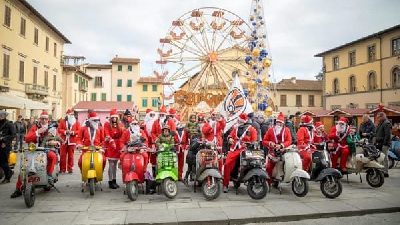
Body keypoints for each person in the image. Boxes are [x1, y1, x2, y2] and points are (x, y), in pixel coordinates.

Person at [11, 110, 58, 198]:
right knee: (24, 165)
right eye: (42, 119)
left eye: (45, 119)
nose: (44, 121)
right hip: (34, 150)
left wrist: (54, 143)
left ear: (48, 120)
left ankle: (49, 176)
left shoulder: (52, 127)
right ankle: (18, 188)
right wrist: (37, 133)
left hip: (46, 149)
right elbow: (27, 138)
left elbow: (58, 140)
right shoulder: (35, 127)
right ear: (40, 119)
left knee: (52, 156)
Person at [223, 113, 257, 193]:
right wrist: (230, 139)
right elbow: (230, 136)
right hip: (234, 149)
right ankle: (225, 184)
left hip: (246, 149)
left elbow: (254, 141)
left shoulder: (251, 129)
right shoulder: (235, 127)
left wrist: (249, 144)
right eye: (238, 120)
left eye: (239, 120)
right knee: (227, 164)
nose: (237, 121)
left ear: (243, 121)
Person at [262, 112, 292, 185]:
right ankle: (268, 182)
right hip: (273, 151)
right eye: (277, 122)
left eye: (280, 123)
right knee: (269, 167)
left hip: (284, 151)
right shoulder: (271, 130)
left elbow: (289, 141)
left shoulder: (287, 130)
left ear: (283, 123)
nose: (278, 124)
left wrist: (282, 146)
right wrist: (270, 144)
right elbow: (264, 141)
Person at [103, 109, 126, 189]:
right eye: (112, 118)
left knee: (115, 164)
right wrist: (111, 141)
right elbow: (107, 133)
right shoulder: (107, 125)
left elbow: (124, 133)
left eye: (115, 117)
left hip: (118, 145)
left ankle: (114, 180)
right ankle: (110, 181)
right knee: (111, 164)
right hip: (110, 145)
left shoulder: (120, 124)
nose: (114, 119)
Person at [57, 109, 81, 174]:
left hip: (72, 141)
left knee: (71, 156)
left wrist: (72, 132)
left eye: (72, 115)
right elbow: (59, 129)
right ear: (67, 115)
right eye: (71, 115)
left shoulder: (76, 122)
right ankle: (62, 169)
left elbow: (79, 131)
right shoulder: (62, 121)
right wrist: (65, 131)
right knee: (62, 155)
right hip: (63, 140)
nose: (72, 116)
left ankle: (70, 168)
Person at [0, 110, 16, 184]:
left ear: (3, 116)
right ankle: (9, 171)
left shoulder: (9, 124)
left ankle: (7, 178)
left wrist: (5, 141)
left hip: (5, 146)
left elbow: (13, 135)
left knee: (4, 162)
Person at [374, 112, 392, 177]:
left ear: (382, 117)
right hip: (379, 143)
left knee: (384, 157)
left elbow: (388, 135)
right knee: (380, 157)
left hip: (384, 143)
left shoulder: (386, 123)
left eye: (378, 117)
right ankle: (381, 169)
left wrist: (385, 143)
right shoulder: (381, 123)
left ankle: (385, 171)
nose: (377, 118)